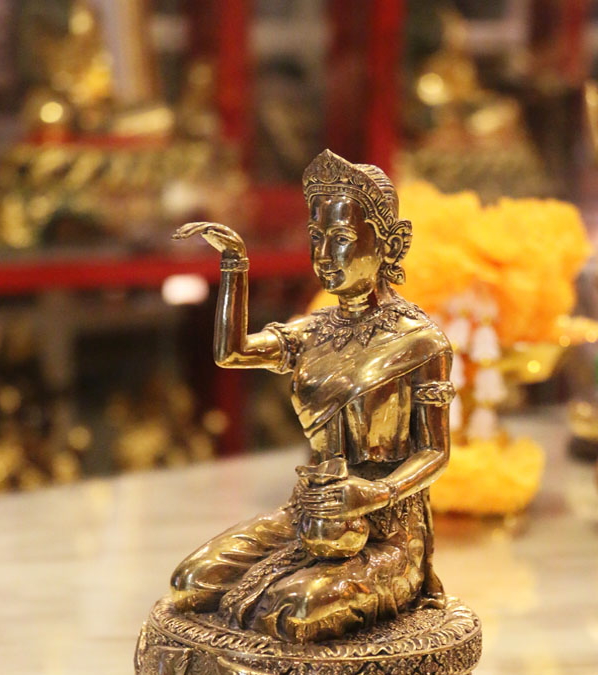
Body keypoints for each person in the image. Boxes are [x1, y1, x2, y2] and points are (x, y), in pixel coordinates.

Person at [170, 149, 454, 643]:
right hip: (309, 513)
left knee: (295, 609)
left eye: (341, 239)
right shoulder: (314, 330)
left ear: (389, 244)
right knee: (191, 583)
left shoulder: (420, 342)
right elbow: (232, 353)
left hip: (388, 527)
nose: (323, 256)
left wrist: (378, 492)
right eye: (316, 238)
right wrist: (235, 264)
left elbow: (435, 451)